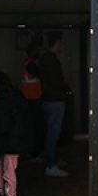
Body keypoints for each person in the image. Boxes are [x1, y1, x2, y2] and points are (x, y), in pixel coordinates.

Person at [0, 71, 34, 196]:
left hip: (10, 143)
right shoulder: (17, 97)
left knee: (7, 172)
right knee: (3, 169)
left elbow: (3, 126)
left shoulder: (3, 102)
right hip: (15, 141)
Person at [37, 32, 69, 177]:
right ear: (56, 42)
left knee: (50, 132)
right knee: (53, 133)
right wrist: (66, 87)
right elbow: (56, 81)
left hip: (47, 99)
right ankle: (51, 165)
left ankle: (52, 159)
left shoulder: (44, 59)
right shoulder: (51, 60)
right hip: (55, 100)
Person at [21, 42, 45, 158]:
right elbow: (42, 74)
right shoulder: (30, 65)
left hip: (30, 98)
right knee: (36, 128)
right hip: (32, 99)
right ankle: (35, 154)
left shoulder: (27, 63)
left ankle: (34, 153)